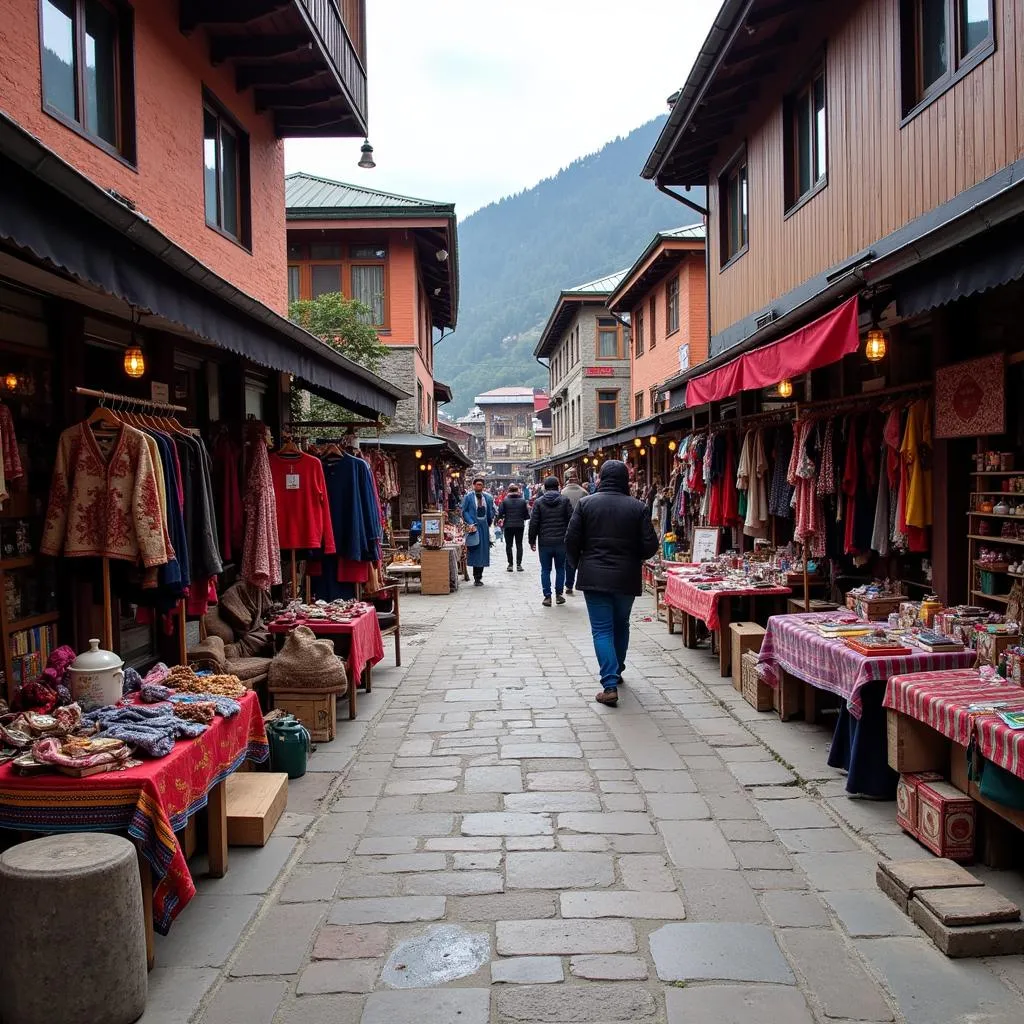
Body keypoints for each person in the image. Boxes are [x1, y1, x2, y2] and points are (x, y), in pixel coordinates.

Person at [565, 459, 660, 706]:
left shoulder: (586, 504)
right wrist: (633, 557)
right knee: (621, 624)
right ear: (624, 480)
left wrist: (576, 565)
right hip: (626, 577)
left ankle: (609, 684)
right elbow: (650, 545)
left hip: (594, 576)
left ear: (601, 478)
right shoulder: (637, 507)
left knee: (602, 629)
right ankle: (616, 671)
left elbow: (571, 540)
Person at [528, 476, 573, 607]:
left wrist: (532, 540)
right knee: (560, 568)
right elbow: (571, 521)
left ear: (545, 487)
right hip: (561, 541)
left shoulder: (539, 502)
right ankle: (559, 594)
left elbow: (534, 523)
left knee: (545, 569)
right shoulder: (564, 500)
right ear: (558, 486)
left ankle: (547, 597)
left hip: (544, 541)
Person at [461, 475, 495, 585]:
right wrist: (470, 522)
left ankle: (479, 576)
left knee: (483, 552)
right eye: (477, 484)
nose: (479, 486)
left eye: (481, 484)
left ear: (483, 486)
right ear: (474, 485)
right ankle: (476, 576)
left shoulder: (488, 498)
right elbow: (464, 511)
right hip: (474, 527)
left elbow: (491, 511)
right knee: (475, 549)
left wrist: (489, 522)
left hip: (484, 527)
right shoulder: (468, 497)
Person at [561, 471, 589, 596]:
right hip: (582, 529)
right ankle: (584, 581)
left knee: (569, 556)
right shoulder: (584, 492)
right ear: (577, 479)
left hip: (567, 528)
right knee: (583, 555)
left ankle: (569, 584)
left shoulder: (562, 493)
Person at [497, 483, 528, 572]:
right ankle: (519, 565)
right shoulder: (522, 501)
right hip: (519, 525)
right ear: (518, 491)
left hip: (508, 526)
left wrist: (501, 519)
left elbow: (500, 513)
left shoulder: (505, 501)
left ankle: (510, 565)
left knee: (508, 545)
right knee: (519, 545)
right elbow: (526, 515)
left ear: (508, 491)